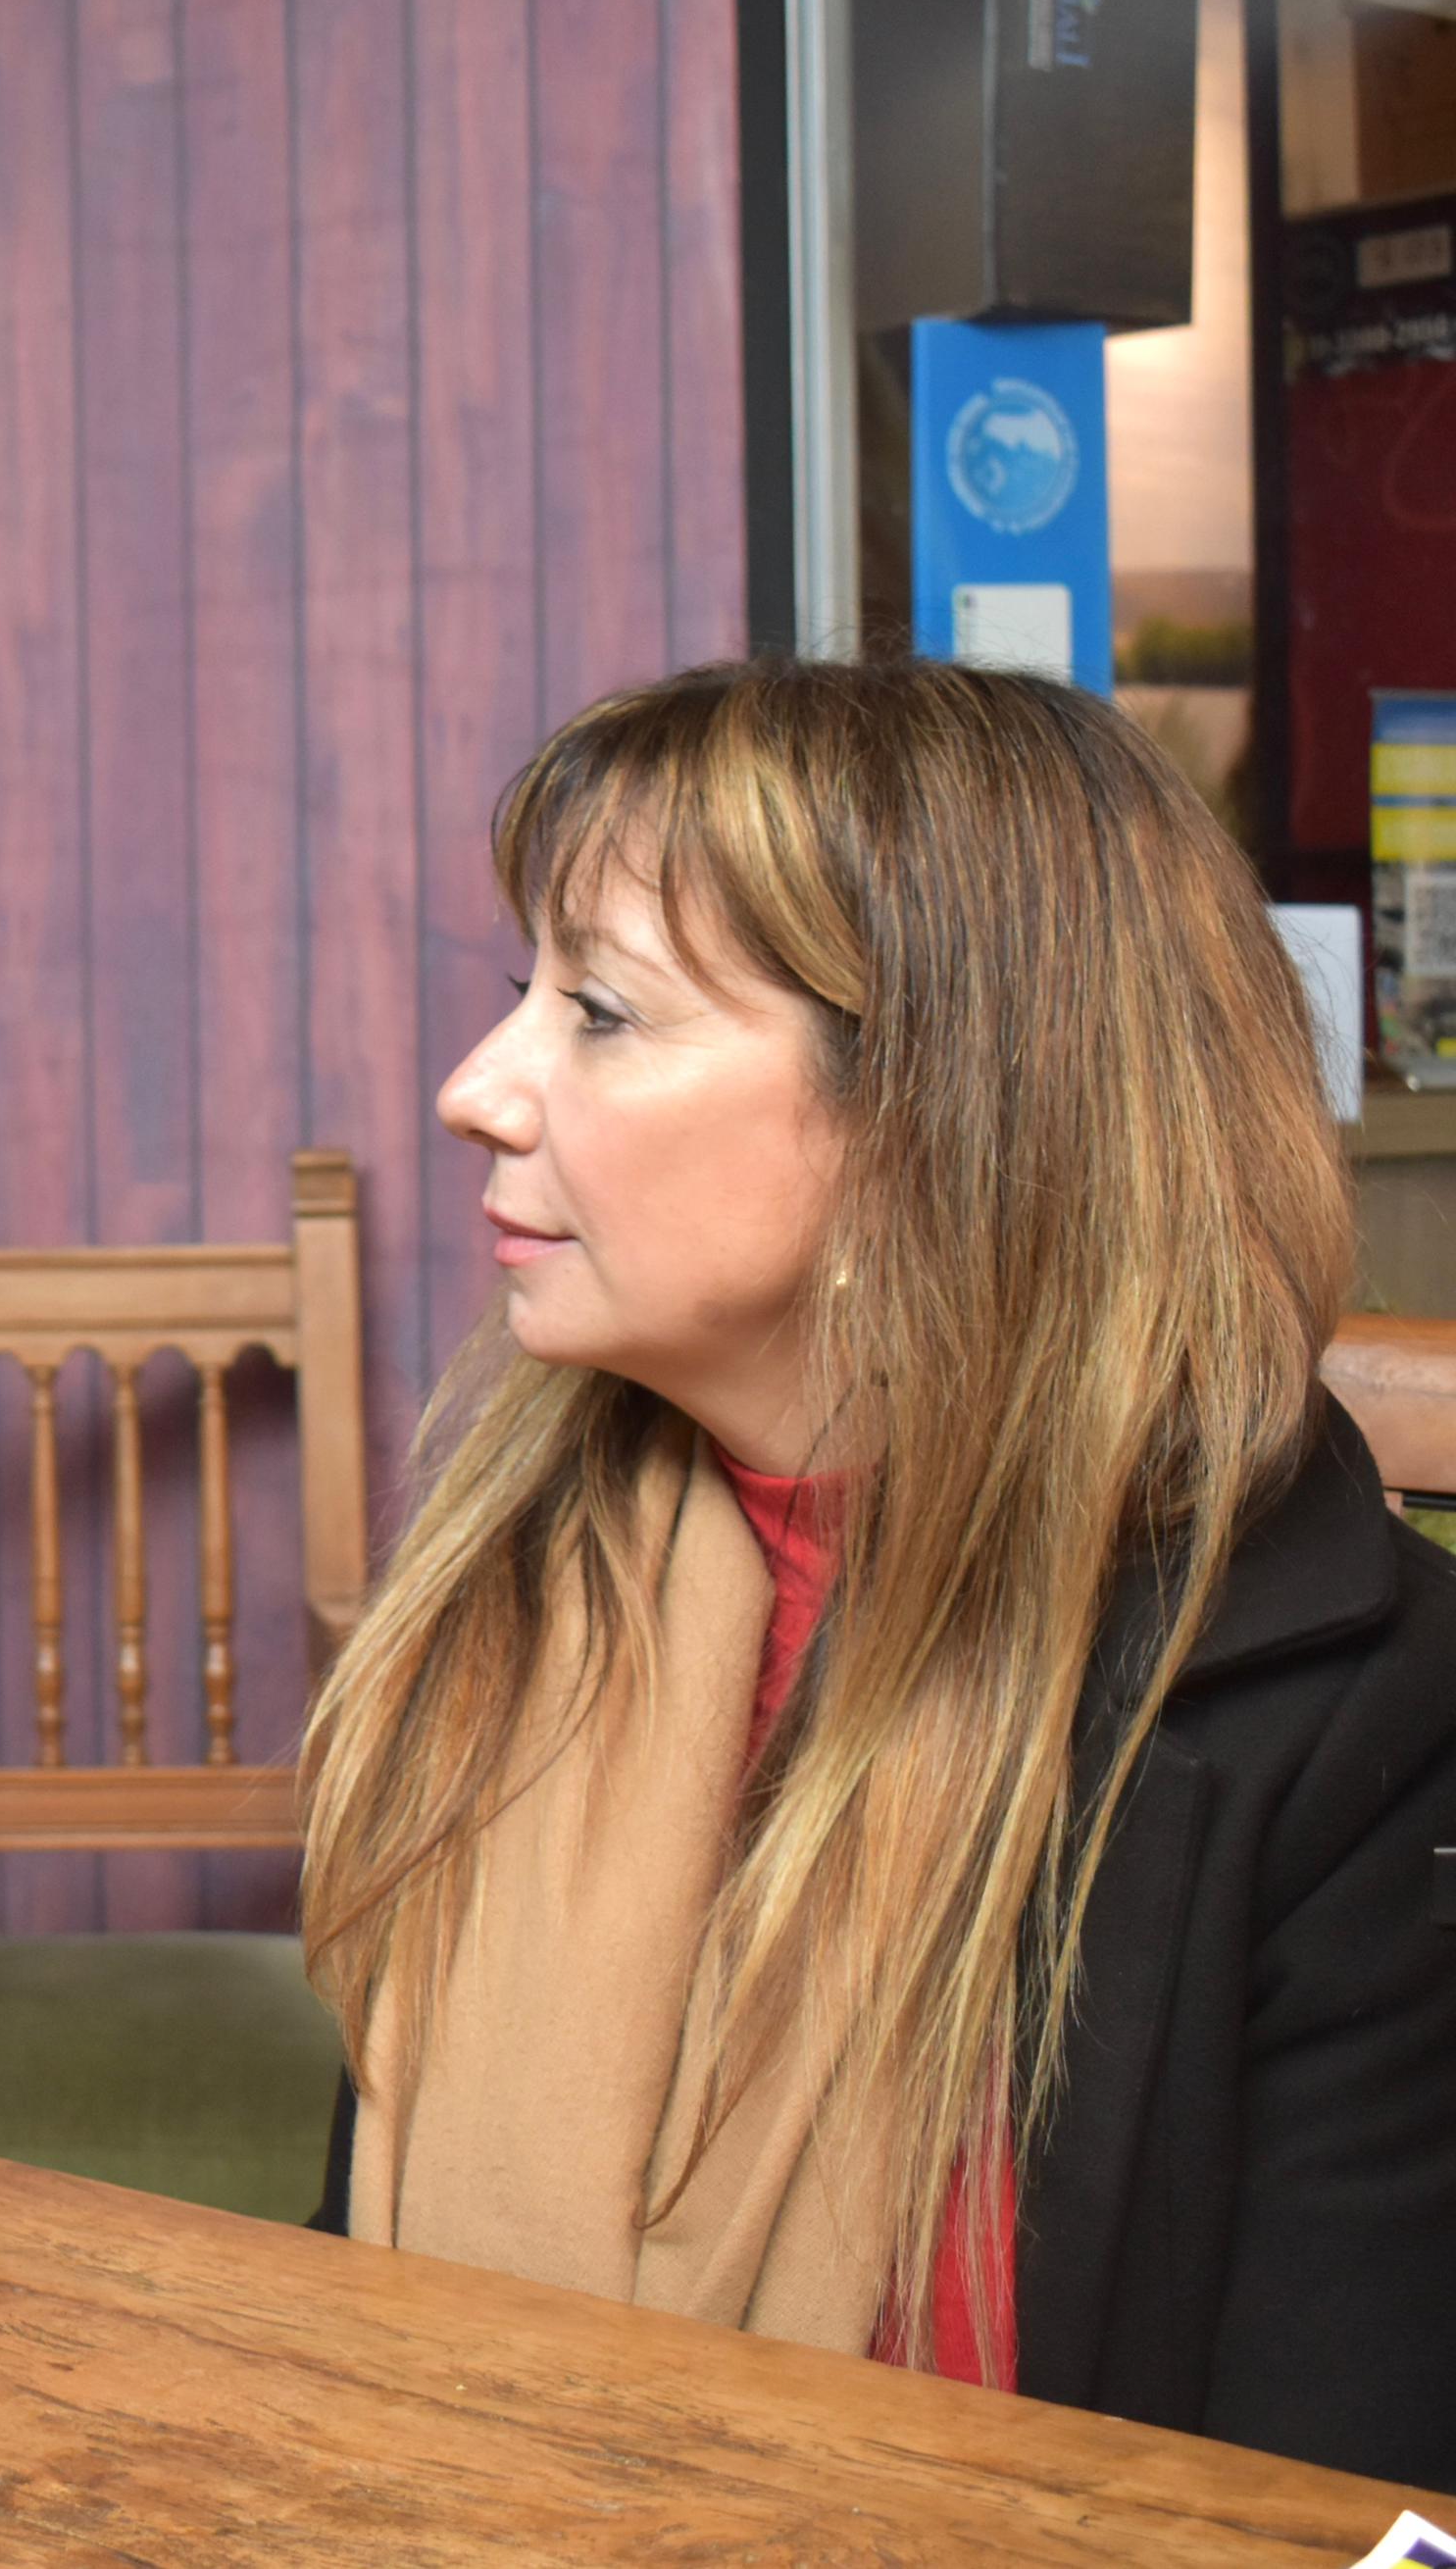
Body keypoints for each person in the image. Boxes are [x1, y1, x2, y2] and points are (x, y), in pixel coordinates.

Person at [298, 656, 1456, 2487]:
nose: (474, 1088)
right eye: (522, 992)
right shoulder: (514, 1587)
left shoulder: (1361, 1725)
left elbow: (1347, 2497)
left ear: (931, 1126)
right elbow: (333, 2331)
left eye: (598, 1008)